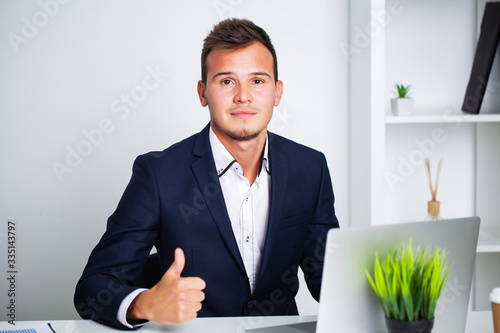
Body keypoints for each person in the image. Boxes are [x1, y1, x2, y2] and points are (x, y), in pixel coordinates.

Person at [74, 18, 339, 330]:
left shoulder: (310, 167)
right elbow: (93, 287)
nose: (243, 96)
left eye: (257, 81)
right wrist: (146, 303)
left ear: (277, 92)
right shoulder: (159, 174)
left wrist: (393, 292)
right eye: (226, 81)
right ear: (203, 93)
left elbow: (325, 275)